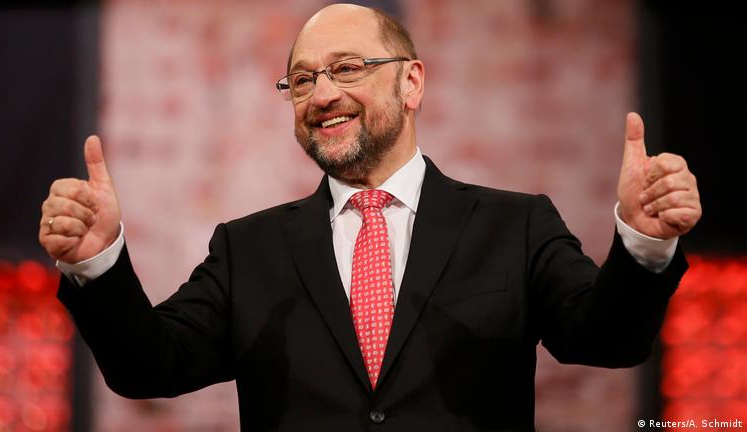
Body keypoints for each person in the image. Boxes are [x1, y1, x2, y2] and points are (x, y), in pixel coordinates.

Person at [38, 4, 701, 431]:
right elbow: (150, 368)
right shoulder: (248, 248)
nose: (321, 94)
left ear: (411, 82)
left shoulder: (515, 226)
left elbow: (608, 341)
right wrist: (97, 260)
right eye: (301, 80)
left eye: (347, 69)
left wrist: (643, 243)